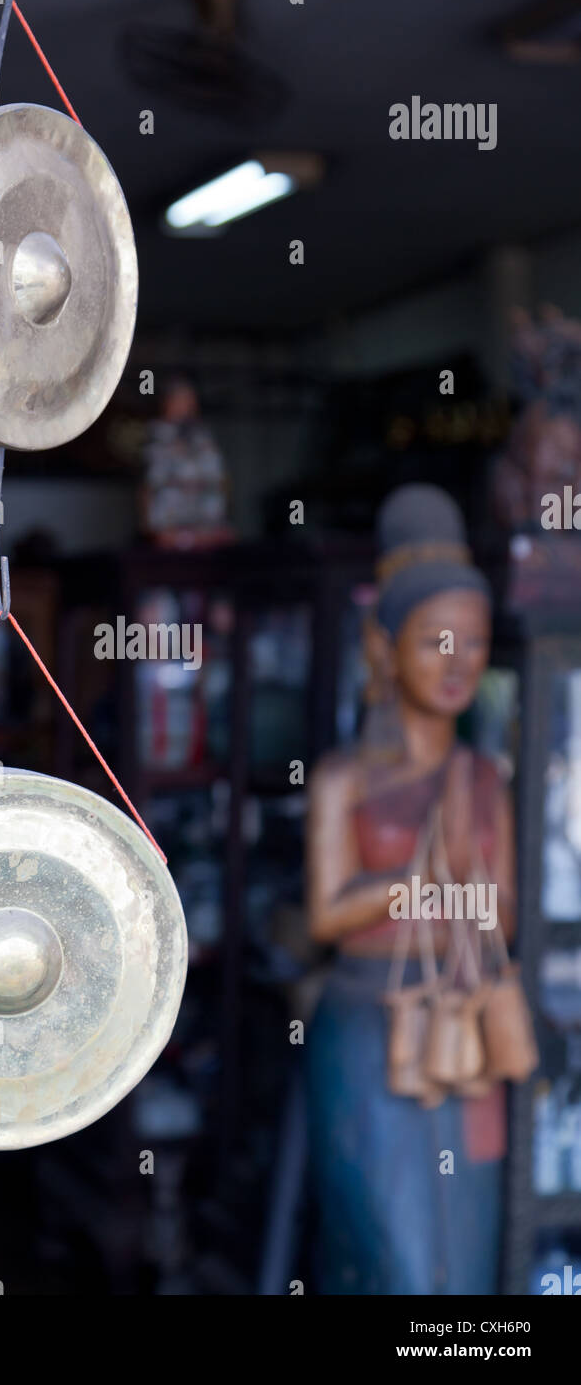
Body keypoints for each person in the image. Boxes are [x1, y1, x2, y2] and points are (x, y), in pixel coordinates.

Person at [304, 483, 519, 1295]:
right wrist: (421, 886)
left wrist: (395, 892)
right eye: (436, 641)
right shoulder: (342, 781)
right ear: (383, 647)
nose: (458, 661)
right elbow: (330, 912)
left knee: (460, 1267)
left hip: (464, 1030)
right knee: (388, 1259)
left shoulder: (484, 778)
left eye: (474, 641)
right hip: (365, 1026)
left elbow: (498, 912)